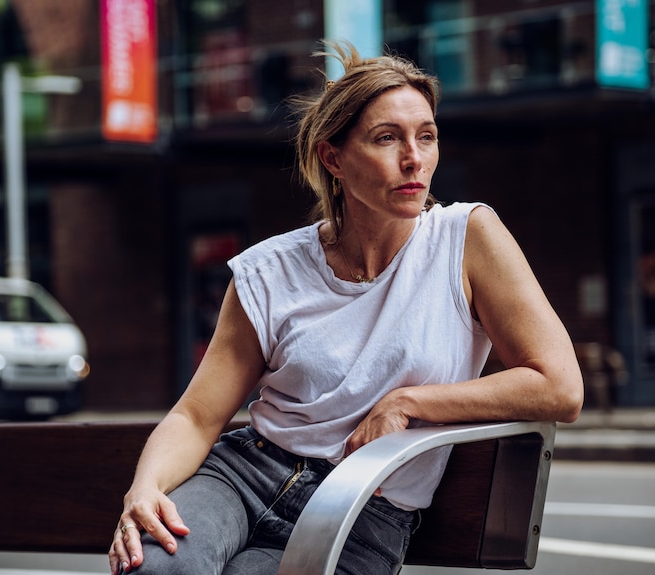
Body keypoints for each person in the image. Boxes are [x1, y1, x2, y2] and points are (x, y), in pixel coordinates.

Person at [108, 41, 583, 575]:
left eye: (426, 136)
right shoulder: (269, 272)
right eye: (387, 138)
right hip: (244, 478)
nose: (414, 158)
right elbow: (196, 417)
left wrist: (408, 402)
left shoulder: (467, 237)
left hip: (365, 510)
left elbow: (559, 387)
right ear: (333, 158)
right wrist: (144, 489)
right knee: (156, 567)